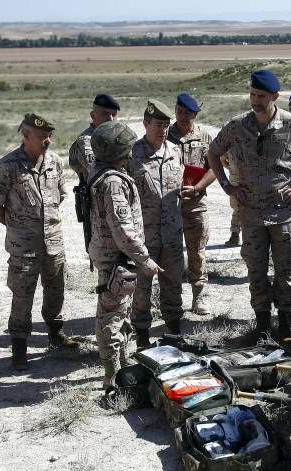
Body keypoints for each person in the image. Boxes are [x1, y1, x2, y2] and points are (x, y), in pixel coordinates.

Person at [207, 70, 291, 341]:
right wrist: (227, 185)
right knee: (255, 271)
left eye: (261, 96)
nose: (255, 101)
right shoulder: (238, 125)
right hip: (250, 214)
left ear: (275, 97)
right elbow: (213, 152)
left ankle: (285, 326)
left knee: (285, 272)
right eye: (252, 95)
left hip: (284, 213)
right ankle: (262, 327)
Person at [0, 113, 77, 370]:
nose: (47, 140)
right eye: (41, 136)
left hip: (53, 242)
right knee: (23, 295)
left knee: (56, 288)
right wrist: (17, 227)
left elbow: (59, 196)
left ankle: (55, 334)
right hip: (23, 246)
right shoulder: (7, 166)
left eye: (49, 135)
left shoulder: (55, 162)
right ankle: (19, 348)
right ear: (26, 135)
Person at [88, 121, 163, 387]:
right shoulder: (113, 182)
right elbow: (123, 229)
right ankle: (113, 376)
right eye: (127, 146)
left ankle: (121, 365)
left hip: (114, 256)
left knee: (120, 312)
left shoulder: (103, 172)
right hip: (116, 258)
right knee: (112, 315)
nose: (132, 150)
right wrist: (145, 259)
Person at [127, 99, 185, 347]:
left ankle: (174, 336)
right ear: (145, 124)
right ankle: (142, 339)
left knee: (173, 285)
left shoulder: (175, 151)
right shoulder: (131, 155)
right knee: (141, 289)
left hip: (172, 233)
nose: (162, 130)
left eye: (166, 124)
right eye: (157, 125)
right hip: (144, 235)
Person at [167, 92, 216, 314]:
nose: (182, 115)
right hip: (169, 205)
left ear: (195, 114)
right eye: (179, 110)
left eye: (187, 112)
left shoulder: (205, 137)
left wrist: (197, 188)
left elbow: (215, 168)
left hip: (195, 205)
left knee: (197, 252)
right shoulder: (164, 135)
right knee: (170, 253)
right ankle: (172, 299)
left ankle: (199, 296)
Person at [68, 93, 120, 184]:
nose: (111, 119)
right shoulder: (85, 141)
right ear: (93, 116)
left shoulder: (118, 137)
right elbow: (97, 170)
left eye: (114, 114)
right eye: (105, 114)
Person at [221, 149, 241, 247]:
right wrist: (230, 168)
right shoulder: (231, 139)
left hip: (254, 177)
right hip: (236, 179)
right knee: (237, 207)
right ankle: (235, 234)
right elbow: (222, 158)